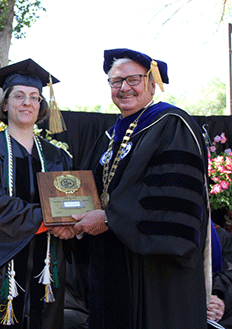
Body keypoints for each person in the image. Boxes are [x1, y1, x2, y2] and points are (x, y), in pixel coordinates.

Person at [70, 48, 210, 329]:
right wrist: (71, 220)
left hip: (155, 274)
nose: (124, 88)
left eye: (133, 79)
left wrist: (109, 218)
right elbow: (88, 193)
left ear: (152, 82)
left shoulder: (172, 124)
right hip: (110, 265)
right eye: (115, 81)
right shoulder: (108, 138)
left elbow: (172, 203)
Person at [0, 59, 74, 329]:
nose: (27, 103)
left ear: (41, 106)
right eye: (18, 96)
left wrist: (73, 223)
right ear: (5, 104)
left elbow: (71, 206)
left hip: (46, 267)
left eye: (34, 97)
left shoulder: (57, 157)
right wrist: (49, 218)